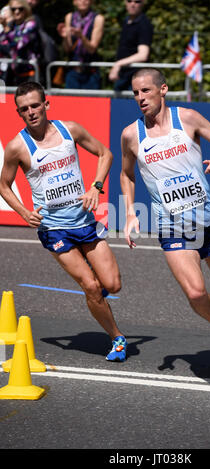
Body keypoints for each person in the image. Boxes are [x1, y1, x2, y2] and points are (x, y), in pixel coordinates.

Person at [120, 68, 210, 378]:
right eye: (135, 93)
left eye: (146, 90)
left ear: (163, 90)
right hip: (172, 228)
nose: (141, 97)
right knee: (196, 294)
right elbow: (126, 174)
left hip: (209, 221)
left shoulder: (187, 119)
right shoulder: (132, 135)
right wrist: (130, 212)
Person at [0, 81, 127, 362]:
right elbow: (4, 185)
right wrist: (23, 212)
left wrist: (95, 186)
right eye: (24, 109)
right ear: (19, 113)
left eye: (35, 105)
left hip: (84, 220)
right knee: (91, 286)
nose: (31, 112)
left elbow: (106, 154)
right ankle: (117, 337)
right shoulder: (16, 147)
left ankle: (99, 299)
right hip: (54, 228)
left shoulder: (70, 129)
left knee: (113, 284)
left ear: (46, 104)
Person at [58, 0, 104, 90]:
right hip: (73, 71)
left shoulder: (98, 19)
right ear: (74, 2)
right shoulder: (69, 17)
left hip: (90, 72)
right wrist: (64, 37)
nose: (83, 1)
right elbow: (67, 48)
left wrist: (81, 37)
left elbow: (92, 49)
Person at [109, 0, 153, 91]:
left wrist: (118, 64)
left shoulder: (144, 24)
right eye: (129, 1)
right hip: (123, 77)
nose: (132, 4)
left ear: (143, 4)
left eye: (137, 1)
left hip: (136, 79)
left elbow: (143, 55)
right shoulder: (126, 21)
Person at [0, 0, 40, 85]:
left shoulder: (31, 24)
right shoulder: (11, 25)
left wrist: (6, 30)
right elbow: (2, 43)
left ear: (26, 9)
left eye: (20, 9)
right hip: (14, 72)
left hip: (30, 72)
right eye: (13, 9)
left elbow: (20, 44)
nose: (17, 11)